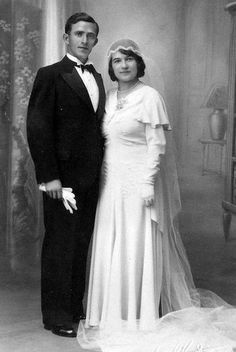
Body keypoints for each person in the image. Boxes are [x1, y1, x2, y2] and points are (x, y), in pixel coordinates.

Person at [77, 39, 236, 352]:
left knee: (136, 243)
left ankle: (140, 315)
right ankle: (113, 313)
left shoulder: (150, 97)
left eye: (129, 60)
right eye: (118, 61)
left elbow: (157, 144)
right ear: (111, 67)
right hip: (112, 183)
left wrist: (148, 183)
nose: (124, 66)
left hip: (139, 182)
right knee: (113, 241)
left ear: (139, 63)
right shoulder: (109, 99)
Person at [27, 12, 105, 338]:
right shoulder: (50, 74)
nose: (84, 40)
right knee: (60, 244)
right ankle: (57, 315)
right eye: (78, 34)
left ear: (96, 40)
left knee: (81, 242)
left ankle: (75, 308)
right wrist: (50, 177)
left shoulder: (99, 77)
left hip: (91, 178)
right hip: (61, 179)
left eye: (90, 35)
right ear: (66, 37)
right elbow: (37, 128)